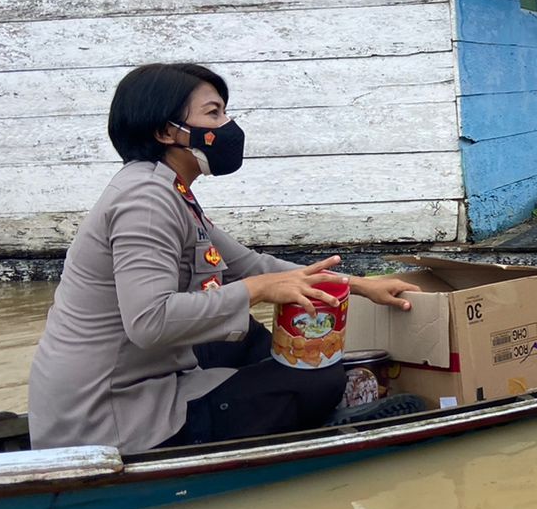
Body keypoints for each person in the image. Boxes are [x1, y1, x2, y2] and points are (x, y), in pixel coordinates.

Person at [28, 63, 421, 453]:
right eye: (213, 113)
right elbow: (148, 321)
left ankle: (284, 401)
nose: (228, 124)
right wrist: (259, 290)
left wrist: (363, 286)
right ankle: (319, 405)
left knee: (244, 334)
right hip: (110, 416)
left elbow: (251, 266)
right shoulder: (145, 202)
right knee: (320, 379)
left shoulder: (169, 190)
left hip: (130, 379)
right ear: (166, 131)